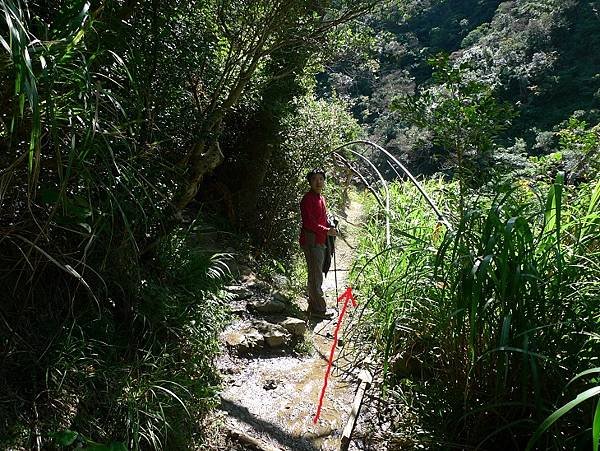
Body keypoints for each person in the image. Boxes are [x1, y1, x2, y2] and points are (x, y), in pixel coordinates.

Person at [299, 168, 338, 319]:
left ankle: (313, 304)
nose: (318, 181)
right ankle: (319, 309)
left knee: (315, 274)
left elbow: (322, 217)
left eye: (321, 178)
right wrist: (326, 230)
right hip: (311, 241)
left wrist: (330, 224)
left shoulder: (321, 198)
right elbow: (309, 223)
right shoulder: (307, 199)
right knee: (316, 276)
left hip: (319, 240)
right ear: (309, 182)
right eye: (314, 179)